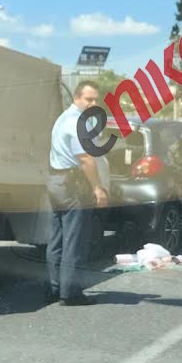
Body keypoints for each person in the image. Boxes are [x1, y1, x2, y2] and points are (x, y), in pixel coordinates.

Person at [45, 81, 109, 306]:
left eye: (96, 99)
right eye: (89, 99)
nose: (93, 103)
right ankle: (70, 293)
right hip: (72, 184)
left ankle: (55, 288)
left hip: (56, 181)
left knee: (57, 239)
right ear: (76, 97)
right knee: (75, 240)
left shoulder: (63, 118)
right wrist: (98, 188)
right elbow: (86, 159)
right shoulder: (78, 122)